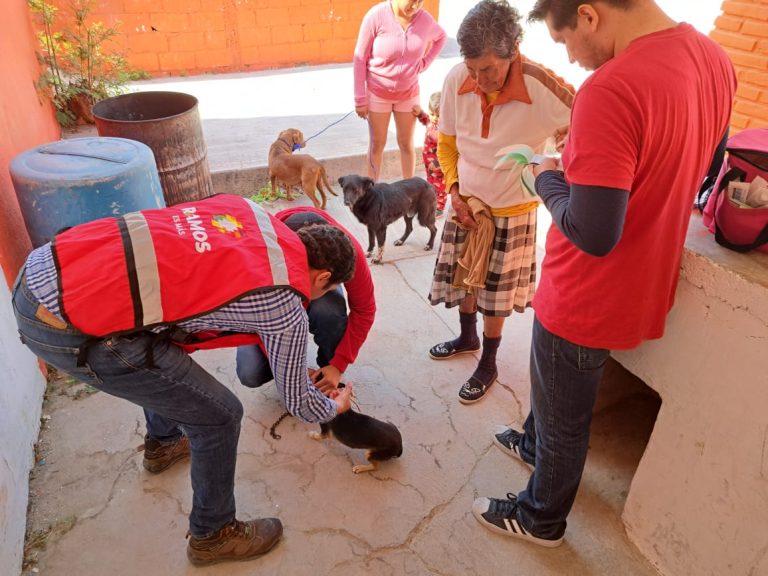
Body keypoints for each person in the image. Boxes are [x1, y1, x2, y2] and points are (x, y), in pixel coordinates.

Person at [474, 0, 736, 547]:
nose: (570, 58)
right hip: (649, 278)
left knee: (566, 413)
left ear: (589, 15)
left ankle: (541, 516)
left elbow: (592, 233)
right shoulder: (714, 58)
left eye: (564, 39)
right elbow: (704, 158)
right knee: (551, 392)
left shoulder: (612, 88)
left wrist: (546, 175)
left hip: (584, 297)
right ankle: (531, 445)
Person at [11, 194, 357, 566]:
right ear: (323, 277)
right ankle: (213, 534)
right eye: (327, 289)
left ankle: (163, 445)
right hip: (66, 326)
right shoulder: (285, 306)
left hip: (42, 271)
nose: (319, 296)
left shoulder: (247, 211)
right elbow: (298, 401)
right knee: (220, 416)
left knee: (161, 349)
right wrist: (332, 406)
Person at [427, 0, 573, 404]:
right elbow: (447, 142)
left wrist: (562, 149)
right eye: (473, 69)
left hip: (513, 210)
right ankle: (466, 336)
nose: (479, 79)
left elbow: (587, 122)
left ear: (513, 48)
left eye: (488, 69)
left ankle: (488, 360)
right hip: (466, 203)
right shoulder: (459, 77)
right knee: (465, 279)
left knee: (495, 293)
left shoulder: (544, 87)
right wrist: (454, 190)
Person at [236, 206, 376, 394]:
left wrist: (338, 365)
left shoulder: (347, 253)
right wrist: (294, 373)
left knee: (329, 310)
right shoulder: (262, 254)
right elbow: (255, 320)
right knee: (250, 372)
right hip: (264, 298)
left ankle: (326, 372)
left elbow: (365, 310)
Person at [353, 0, 447, 181]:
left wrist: (424, 63)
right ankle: (372, 193)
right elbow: (359, 58)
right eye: (412, 1)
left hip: (408, 94)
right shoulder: (376, 16)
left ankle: (410, 192)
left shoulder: (424, 20)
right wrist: (360, 98)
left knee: (406, 143)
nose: (416, 6)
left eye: (421, 1)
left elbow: (441, 37)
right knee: (376, 144)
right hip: (378, 94)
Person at [412, 91, 447, 217]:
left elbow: (446, 149)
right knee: (431, 184)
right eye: (432, 114)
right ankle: (431, 203)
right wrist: (420, 113)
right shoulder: (432, 123)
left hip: (438, 165)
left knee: (440, 187)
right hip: (428, 164)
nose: (435, 118)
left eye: (438, 115)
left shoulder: (444, 130)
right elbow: (426, 120)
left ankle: (439, 208)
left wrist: (437, 162)